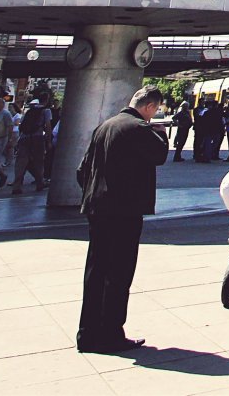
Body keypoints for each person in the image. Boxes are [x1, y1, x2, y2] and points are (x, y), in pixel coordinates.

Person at [76, 85, 169, 354]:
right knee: (118, 273)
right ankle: (110, 334)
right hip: (123, 210)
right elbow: (159, 156)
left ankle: (88, 333)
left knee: (96, 271)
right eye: (155, 111)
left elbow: (82, 169)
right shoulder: (139, 128)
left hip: (97, 208)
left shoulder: (104, 126)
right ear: (150, 107)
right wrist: (162, 135)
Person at [13, 97, 52, 194]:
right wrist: (49, 141)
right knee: (38, 162)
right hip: (37, 138)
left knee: (21, 162)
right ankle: (40, 183)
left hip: (24, 138)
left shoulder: (29, 111)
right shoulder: (46, 111)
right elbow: (48, 125)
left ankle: (16, 186)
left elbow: (21, 125)